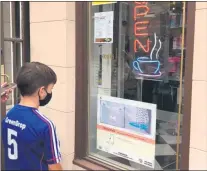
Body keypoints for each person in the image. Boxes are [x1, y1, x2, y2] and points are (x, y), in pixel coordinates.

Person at [1, 62, 62, 170]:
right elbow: (54, 167)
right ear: (42, 91)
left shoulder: (9, 115)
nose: (50, 92)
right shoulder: (45, 125)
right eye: (50, 89)